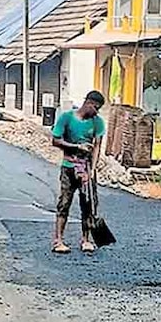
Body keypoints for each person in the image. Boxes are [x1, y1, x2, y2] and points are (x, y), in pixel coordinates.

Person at [51, 91, 107, 254]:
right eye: (96, 107)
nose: (97, 112)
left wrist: (94, 169)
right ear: (88, 103)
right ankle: (58, 240)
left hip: (86, 169)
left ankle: (86, 240)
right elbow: (55, 140)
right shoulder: (66, 117)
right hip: (69, 166)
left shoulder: (98, 122)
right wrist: (76, 147)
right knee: (64, 203)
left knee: (88, 204)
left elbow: (97, 146)